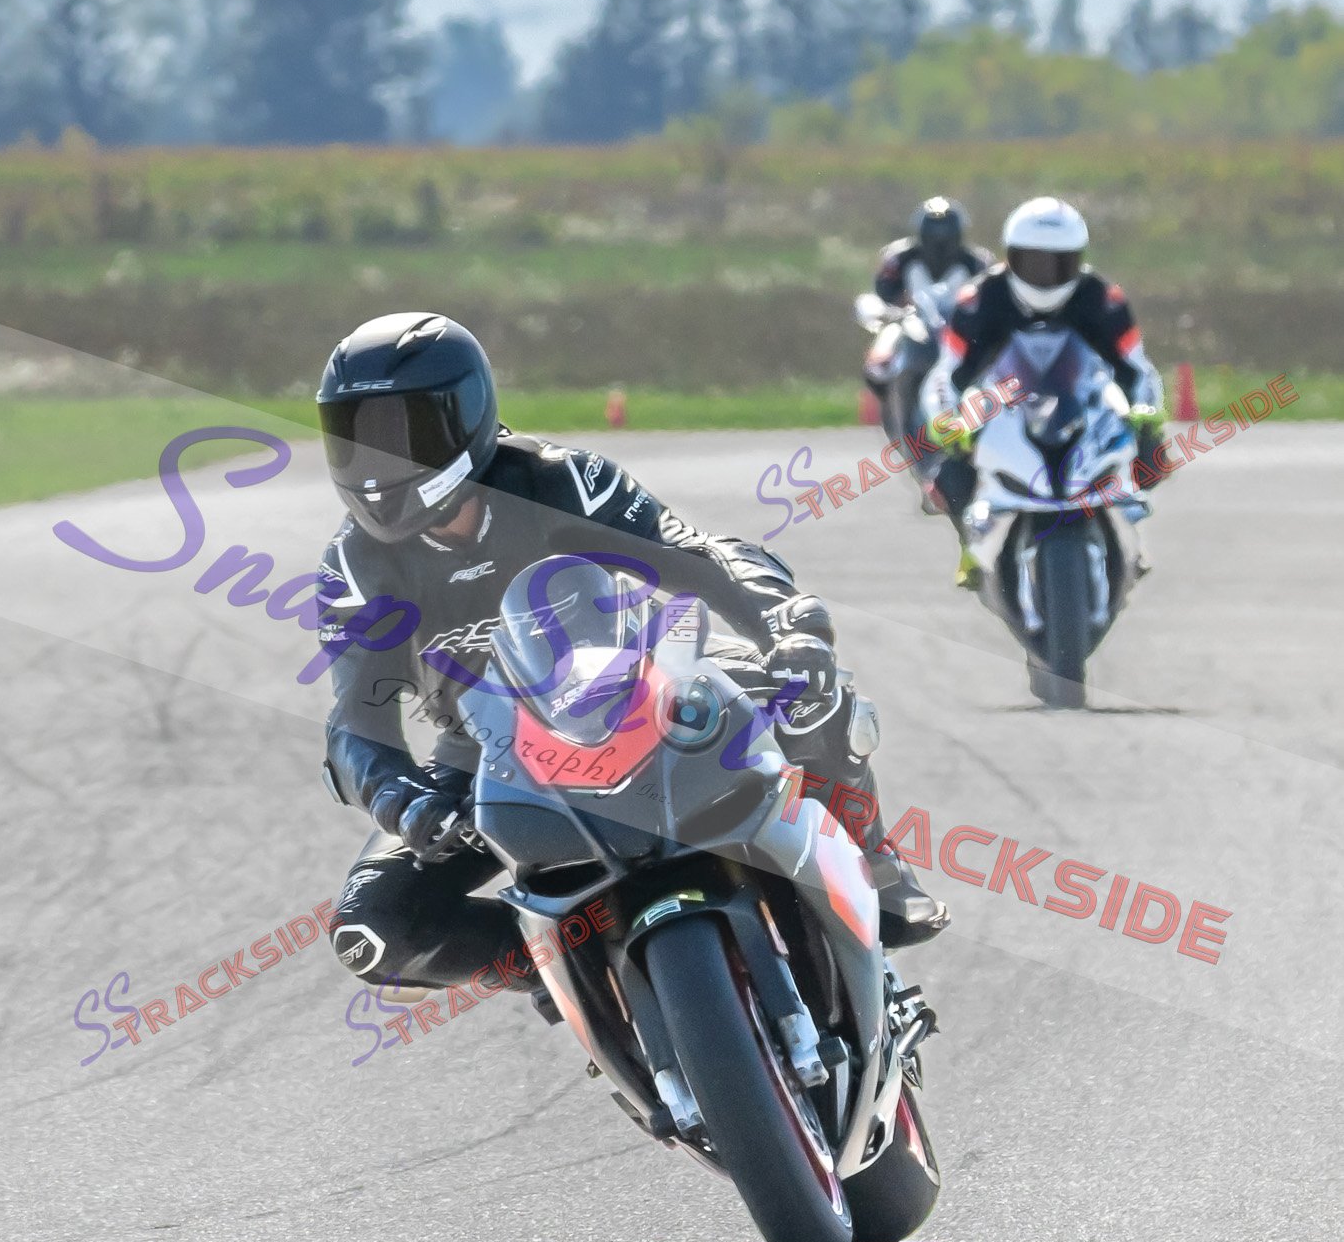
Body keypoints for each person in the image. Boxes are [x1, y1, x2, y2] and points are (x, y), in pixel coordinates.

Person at [315, 311, 947, 1010]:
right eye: (356, 439)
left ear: (465, 416)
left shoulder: (561, 482)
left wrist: (787, 624)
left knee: (810, 694)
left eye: (401, 435)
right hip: (490, 754)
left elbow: (699, 556)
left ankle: (874, 865)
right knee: (372, 929)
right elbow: (355, 723)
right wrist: (400, 797)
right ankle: (570, 972)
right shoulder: (355, 566)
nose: (378, 465)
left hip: (648, 688)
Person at [921, 197, 1168, 586]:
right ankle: (969, 546)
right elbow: (947, 372)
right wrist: (946, 418)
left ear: (1078, 259)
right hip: (1003, 404)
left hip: (1084, 403)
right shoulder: (978, 299)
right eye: (1033, 262)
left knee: (1154, 453)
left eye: (1059, 263)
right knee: (950, 475)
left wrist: (1145, 409)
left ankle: (1131, 531)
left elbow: (1136, 367)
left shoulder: (1103, 298)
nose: (1046, 275)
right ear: (1010, 256)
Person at [862, 196, 992, 416]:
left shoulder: (977, 262)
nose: (939, 242)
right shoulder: (898, 258)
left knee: (990, 363)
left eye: (946, 236)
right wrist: (900, 307)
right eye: (933, 235)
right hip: (910, 322)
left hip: (961, 327)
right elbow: (884, 293)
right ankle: (890, 402)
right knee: (879, 364)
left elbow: (991, 298)